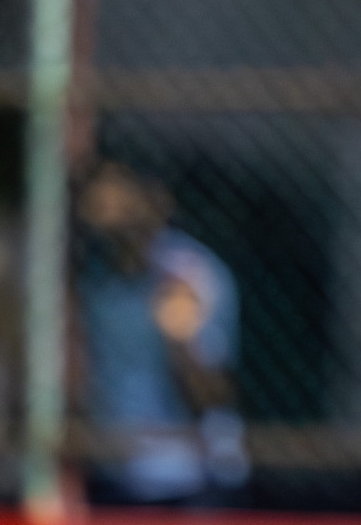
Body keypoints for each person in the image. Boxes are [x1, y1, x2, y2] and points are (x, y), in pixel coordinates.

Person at [74, 160, 249, 505]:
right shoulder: (90, 280)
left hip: (188, 478)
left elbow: (213, 396)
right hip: (113, 474)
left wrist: (181, 338)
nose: (105, 209)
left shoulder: (192, 273)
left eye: (120, 199)